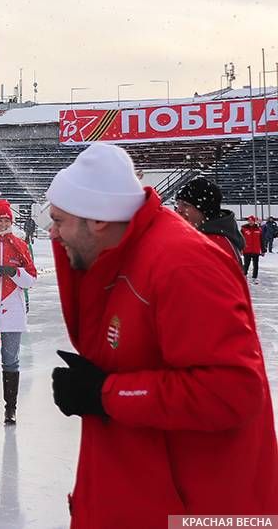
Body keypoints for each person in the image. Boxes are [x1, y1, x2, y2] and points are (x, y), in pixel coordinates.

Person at [46, 142, 278, 526]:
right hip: (147, 495)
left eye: (60, 220)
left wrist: (105, 393)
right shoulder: (121, 256)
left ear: (98, 221)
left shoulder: (182, 265)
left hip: (193, 509)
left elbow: (231, 390)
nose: (53, 234)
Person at [0, 199, 37, 426]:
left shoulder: (20, 245)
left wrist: (14, 272)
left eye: (6, 220)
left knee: (11, 361)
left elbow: (31, 279)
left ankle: (10, 410)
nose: (3, 224)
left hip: (13, 310)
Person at [174, 176, 244, 267]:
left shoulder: (214, 245)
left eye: (186, 205)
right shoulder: (204, 238)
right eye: (178, 203)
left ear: (205, 211)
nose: (178, 210)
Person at [242, 215, 263, 284]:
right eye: (249, 221)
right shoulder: (244, 229)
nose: (250, 222)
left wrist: (263, 250)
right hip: (247, 250)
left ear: (254, 221)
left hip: (256, 250)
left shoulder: (259, 229)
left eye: (251, 221)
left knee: (256, 265)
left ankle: (254, 278)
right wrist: (240, 248)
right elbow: (240, 239)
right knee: (246, 264)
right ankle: (244, 276)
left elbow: (261, 240)